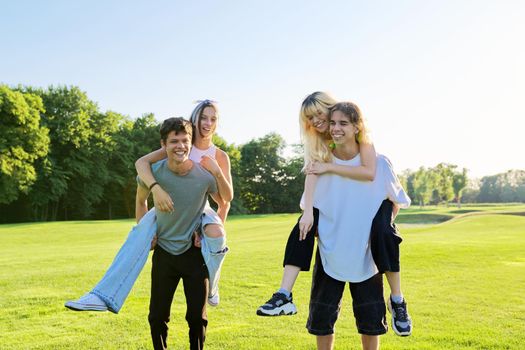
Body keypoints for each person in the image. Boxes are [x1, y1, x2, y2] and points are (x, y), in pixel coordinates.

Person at [256, 92, 412, 337]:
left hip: (367, 239)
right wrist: (307, 212)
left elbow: (369, 172)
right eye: (310, 118)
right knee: (303, 224)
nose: (317, 122)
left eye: (320, 114)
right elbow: (311, 175)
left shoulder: (366, 145)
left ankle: (398, 299)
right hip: (332, 244)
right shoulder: (318, 147)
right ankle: (284, 294)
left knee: (384, 230)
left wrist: (330, 167)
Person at [64, 100, 233, 313]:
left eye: (213, 119)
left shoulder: (219, 155)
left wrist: (210, 235)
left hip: (201, 209)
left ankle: (213, 285)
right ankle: (101, 296)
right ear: (195, 119)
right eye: (203, 117)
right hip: (166, 205)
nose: (208, 123)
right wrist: (155, 188)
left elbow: (225, 201)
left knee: (216, 233)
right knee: (137, 237)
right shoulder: (180, 143)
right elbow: (141, 164)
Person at [307, 102, 410, 350]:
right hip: (330, 252)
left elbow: (396, 203)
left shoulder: (379, 163)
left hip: (367, 257)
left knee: (371, 322)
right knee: (323, 321)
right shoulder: (321, 164)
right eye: (333, 123)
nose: (336, 128)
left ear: (357, 127)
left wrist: (377, 229)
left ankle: (397, 301)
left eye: (343, 123)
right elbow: (310, 208)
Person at [135, 117, 220, 349]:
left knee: (197, 317)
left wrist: (209, 233)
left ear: (191, 143)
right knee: (157, 316)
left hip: (194, 255)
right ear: (163, 145)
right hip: (163, 254)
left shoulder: (204, 176)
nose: (180, 145)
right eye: (174, 141)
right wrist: (145, 233)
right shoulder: (154, 173)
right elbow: (141, 200)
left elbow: (223, 202)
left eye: (185, 140)